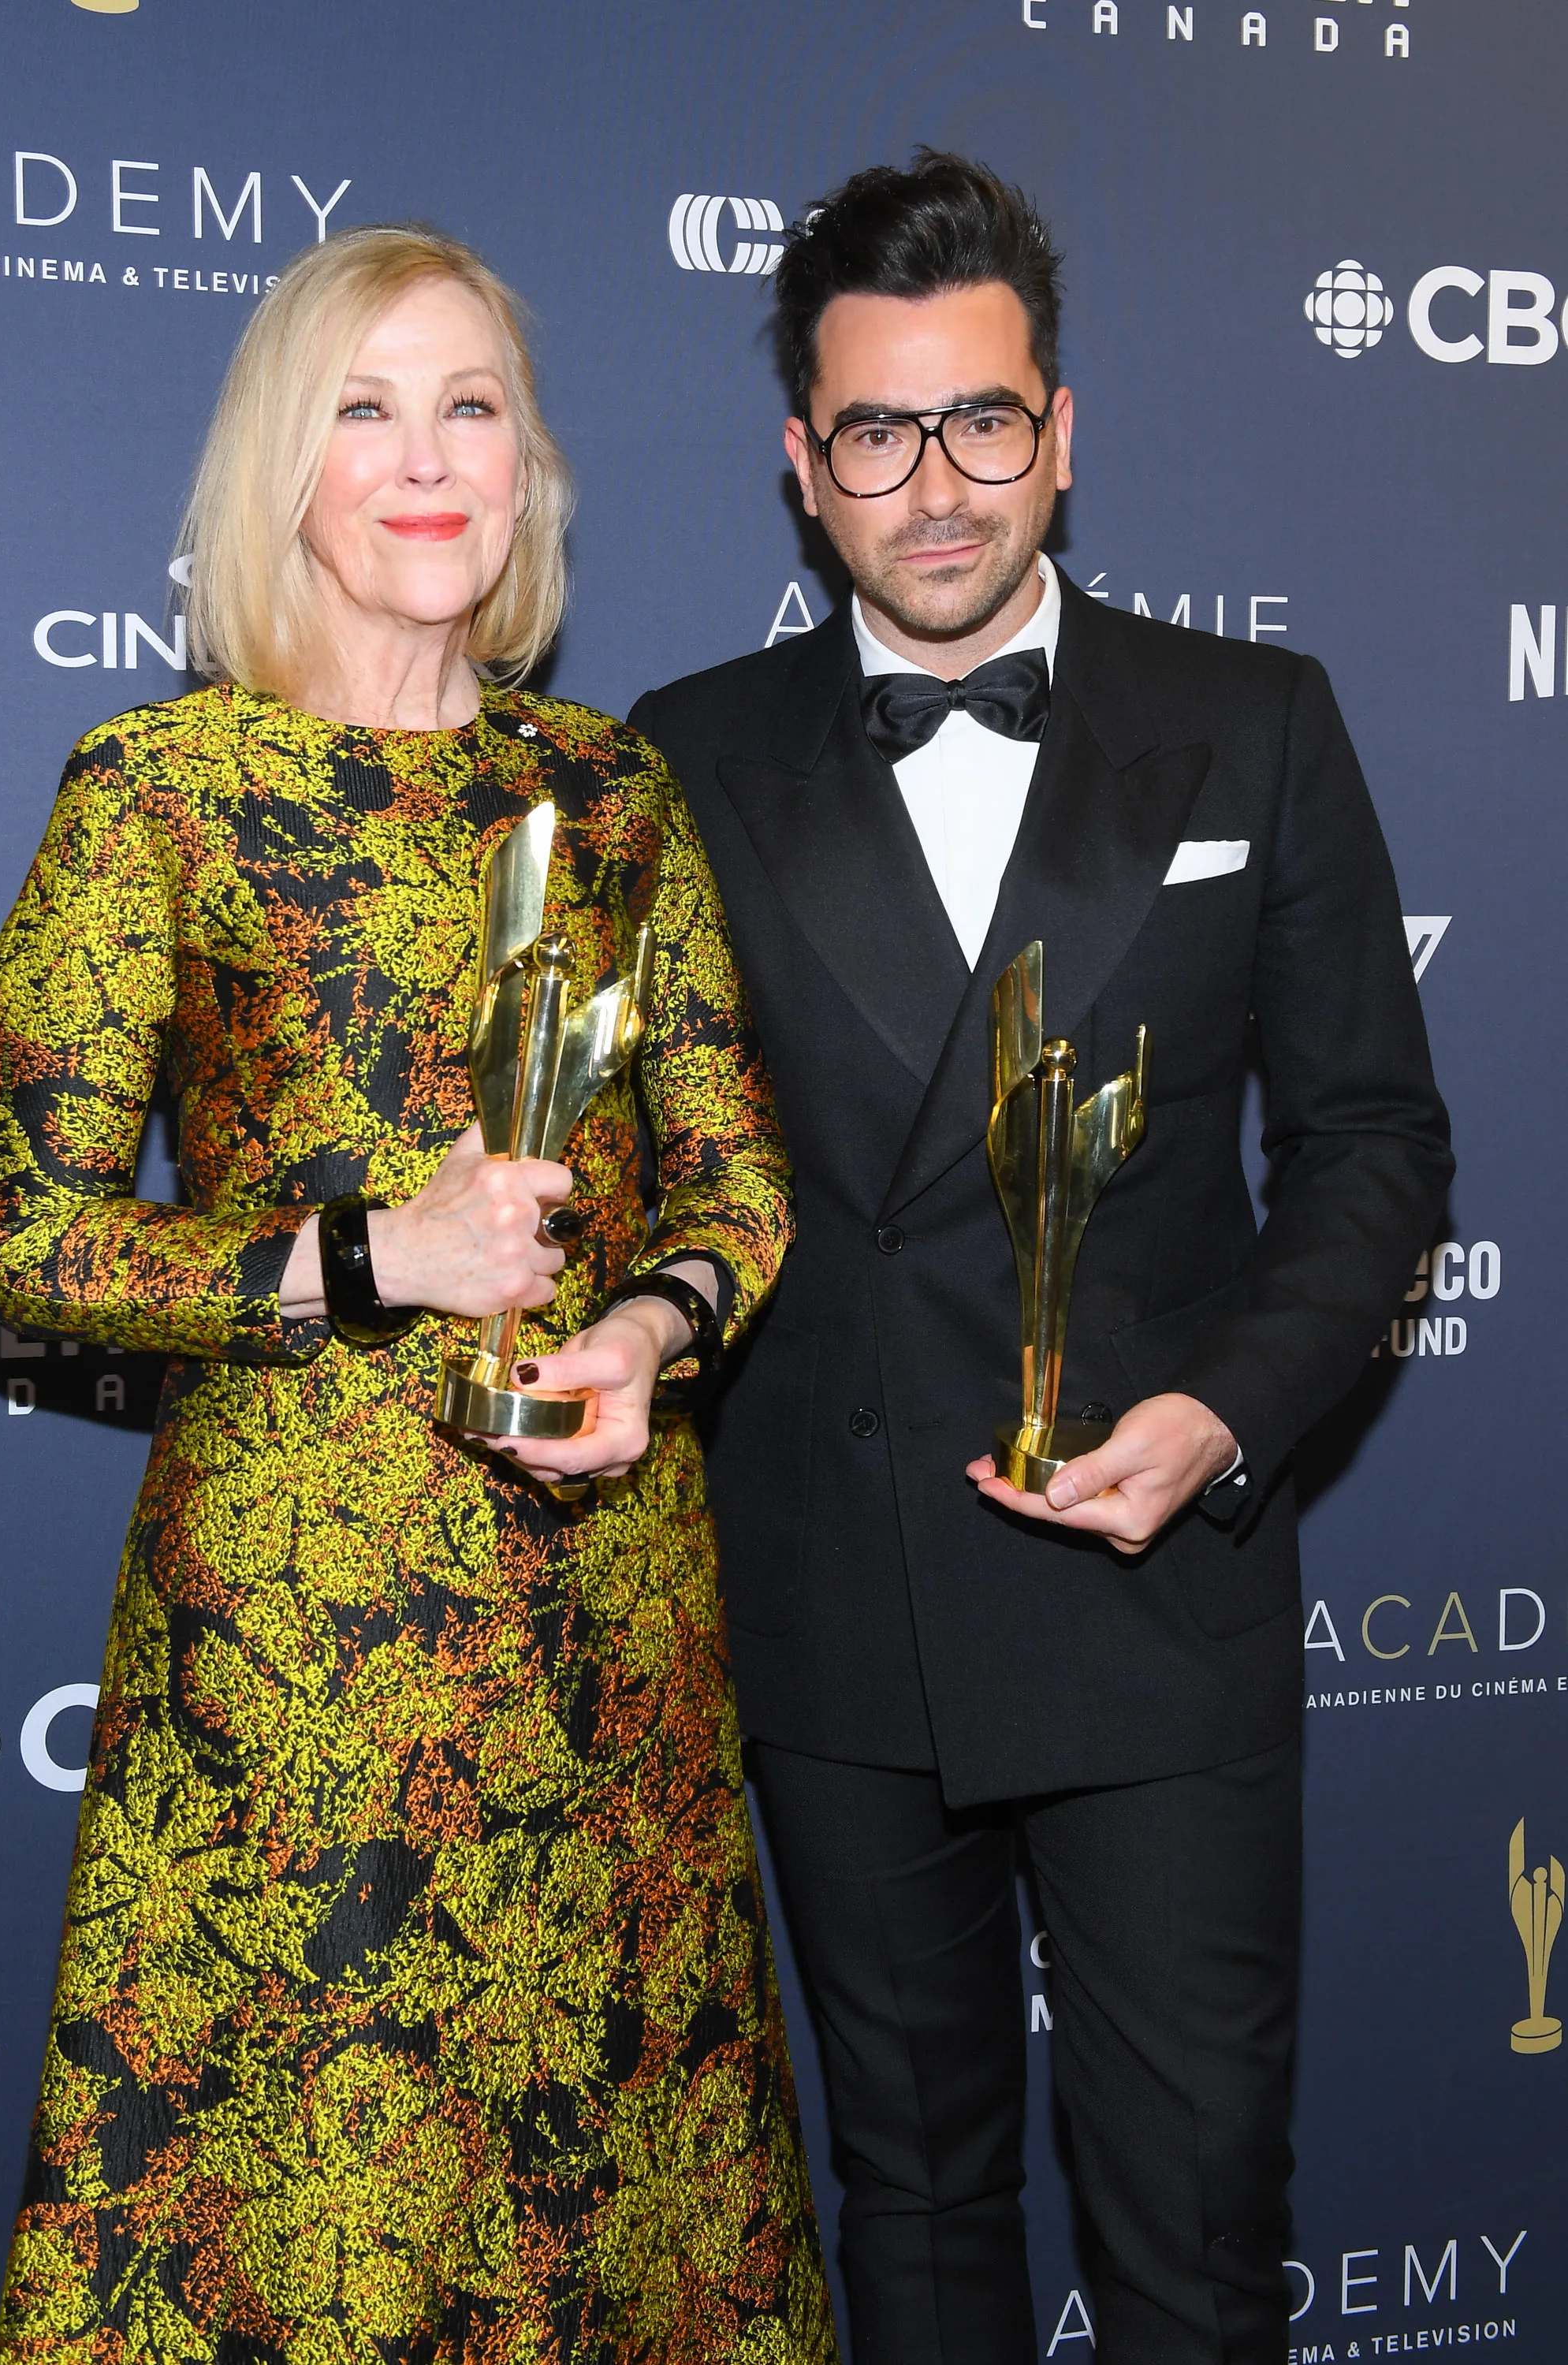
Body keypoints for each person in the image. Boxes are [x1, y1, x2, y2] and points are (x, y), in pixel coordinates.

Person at [0, 223, 834, 2364]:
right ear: (288, 471)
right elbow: (38, 1245)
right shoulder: (159, 795)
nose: (428, 457)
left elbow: (736, 1192)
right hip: (305, 1664)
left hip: (602, 1629)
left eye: (472, 405)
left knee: (621, 2216)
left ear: (531, 467)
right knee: (315, 2247)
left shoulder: (619, 797)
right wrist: (382, 1253)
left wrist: (641, 1337)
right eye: (366, 407)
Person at [629, 154, 1452, 2364]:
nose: (939, 487)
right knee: (912, 2211)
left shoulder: (1256, 726)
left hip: (1154, 1598)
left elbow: (1375, 1142)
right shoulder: (680, 765)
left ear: (1062, 431)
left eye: (983, 421)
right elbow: (652, 1182)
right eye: (879, 435)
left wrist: (1222, 1416)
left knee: (1192, 2226)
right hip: (838, 1597)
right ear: (804, 467)